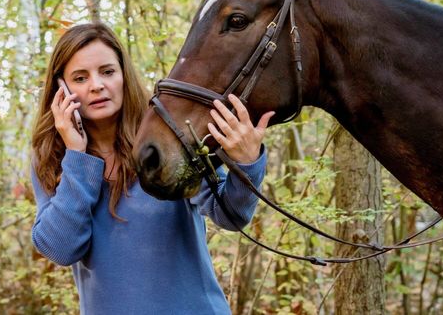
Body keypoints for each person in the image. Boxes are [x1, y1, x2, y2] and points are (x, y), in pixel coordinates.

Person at [30, 23, 274, 315]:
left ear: (124, 75)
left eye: (107, 72)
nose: (96, 85)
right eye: (80, 78)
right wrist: (77, 157)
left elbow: (231, 215)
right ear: (62, 89)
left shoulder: (164, 136)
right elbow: (61, 249)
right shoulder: (52, 157)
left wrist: (246, 164)